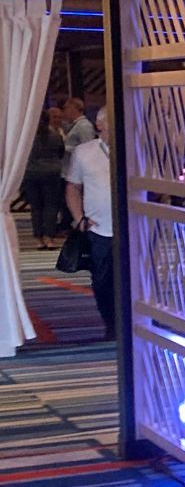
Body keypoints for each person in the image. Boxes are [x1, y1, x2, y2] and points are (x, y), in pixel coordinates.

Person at [63, 99, 116, 339]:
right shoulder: (84, 153)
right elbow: (73, 187)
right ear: (100, 125)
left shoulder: (134, 148)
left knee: (137, 278)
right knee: (103, 280)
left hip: (133, 228)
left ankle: (133, 322)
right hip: (99, 228)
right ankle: (111, 323)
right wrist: (78, 218)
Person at [24, 106, 67, 248]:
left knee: (36, 207)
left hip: (31, 173)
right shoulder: (55, 134)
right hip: (51, 173)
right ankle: (49, 238)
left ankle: (38, 238)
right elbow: (61, 152)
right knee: (51, 206)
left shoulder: (27, 136)